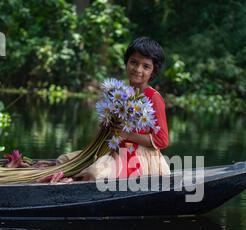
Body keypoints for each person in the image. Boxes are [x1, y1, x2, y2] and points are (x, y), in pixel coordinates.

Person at [56, 36, 170, 180]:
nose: (138, 69)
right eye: (133, 62)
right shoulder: (120, 93)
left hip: (138, 158)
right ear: (126, 63)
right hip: (114, 150)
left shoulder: (154, 98)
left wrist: (128, 135)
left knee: (94, 173)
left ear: (153, 71)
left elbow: (162, 141)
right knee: (63, 160)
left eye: (146, 66)